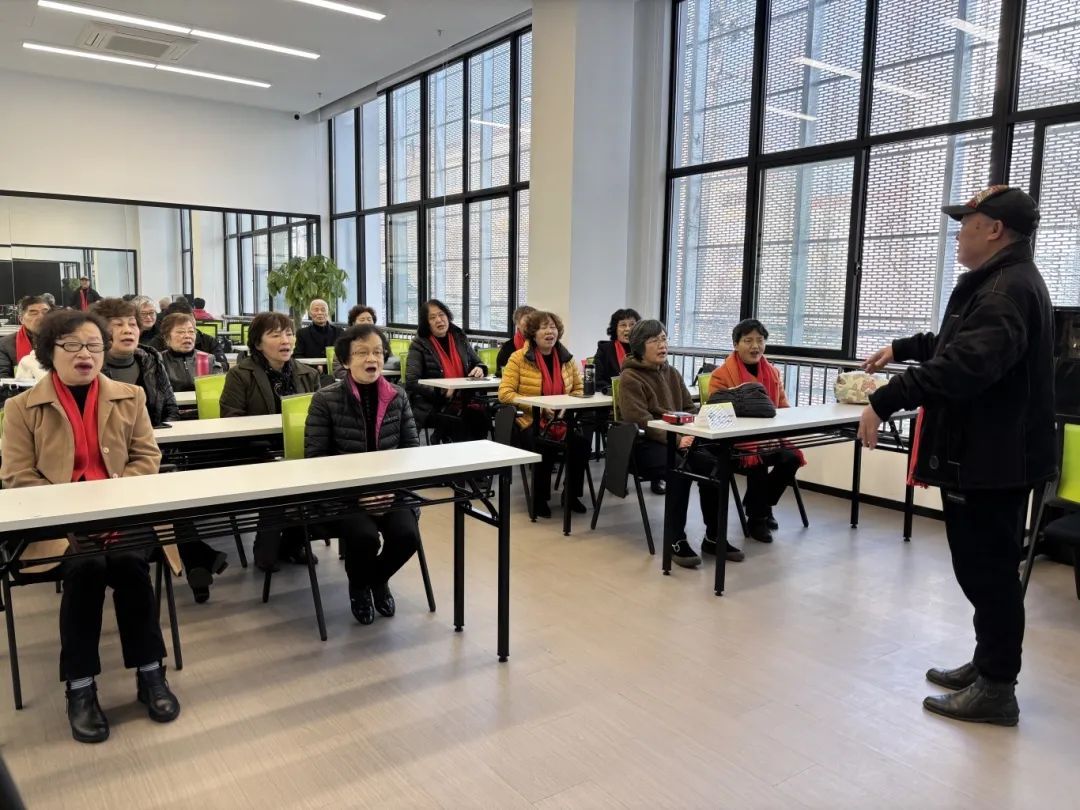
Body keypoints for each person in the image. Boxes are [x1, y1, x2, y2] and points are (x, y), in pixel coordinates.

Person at [858, 186, 1054, 727]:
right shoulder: (1000, 283)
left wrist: (886, 398)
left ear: (994, 229)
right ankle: (987, 665)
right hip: (990, 456)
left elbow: (965, 366)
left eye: (966, 223)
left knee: (988, 573)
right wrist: (904, 348)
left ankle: (997, 687)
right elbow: (956, 341)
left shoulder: (1006, 290)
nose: (959, 233)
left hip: (992, 460)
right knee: (983, 570)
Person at [0, 309, 181, 744]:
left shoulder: (130, 396)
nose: (86, 354)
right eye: (73, 346)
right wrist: (72, 511)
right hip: (57, 525)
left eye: (94, 346)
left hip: (122, 515)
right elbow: (16, 475)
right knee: (86, 568)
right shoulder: (21, 407)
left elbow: (147, 457)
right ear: (50, 351)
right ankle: (80, 687)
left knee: (130, 564)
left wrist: (114, 499)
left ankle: (150, 673)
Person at [305, 324, 421, 624]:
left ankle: (376, 579)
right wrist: (361, 494)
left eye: (378, 352)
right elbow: (316, 460)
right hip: (344, 496)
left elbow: (411, 452)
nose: (372, 358)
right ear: (345, 361)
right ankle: (358, 587)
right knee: (364, 537)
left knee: (407, 536)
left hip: (392, 491)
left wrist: (390, 490)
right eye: (361, 353)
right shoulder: (325, 399)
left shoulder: (398, 396)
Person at [617, 320, 741, 565]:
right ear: (640, 346)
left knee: (714, 466)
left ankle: (714, 537)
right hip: (643, 444)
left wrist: (695, 431)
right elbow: (640, 421)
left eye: (664, 339)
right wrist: (676, 439)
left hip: (678, 440)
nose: (662, 345)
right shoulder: (630, 377)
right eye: (654, 341)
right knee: (679, 472)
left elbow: (688, 408)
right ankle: (676, 540)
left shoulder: (672, 373)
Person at [220, 312, 321, 569]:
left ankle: (293, 542)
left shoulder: (308, 374)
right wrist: (269, 450)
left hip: (300, 450)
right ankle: (268, 546)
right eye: (275, 335)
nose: (285, 340)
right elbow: (231, 421)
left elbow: (320, 419)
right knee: (280, 474)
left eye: (289, 334)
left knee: (317, 471)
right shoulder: (240, 375)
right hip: (255, 450)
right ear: (258, 343)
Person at [708, 318, 804, 544]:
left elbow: (782, 408)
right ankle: (757, 519)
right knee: (758, 459)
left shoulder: (773, 373)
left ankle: (760, 504)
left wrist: (774, 435)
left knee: (792, 458)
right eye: (748, 340)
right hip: (736, 442)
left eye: (760, 341)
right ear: (735, 344)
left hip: (769, 437)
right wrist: (757, 439)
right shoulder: (721, 375)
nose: (755, 346)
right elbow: (717, 415)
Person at [498, 310, 589, 518]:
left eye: (553, 327)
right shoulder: (518, 358)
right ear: (532, 333)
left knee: (581, 444)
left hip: (561, 420)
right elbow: (505, 393)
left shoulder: (566, 358)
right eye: (543, 328)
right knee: (544, 444)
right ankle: (539, 498)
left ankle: (571, 495)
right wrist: (537, 407)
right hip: (528, 421)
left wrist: (567, 406)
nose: (550, 332)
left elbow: (579, 389)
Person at [406, 299, 489, 442]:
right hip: (433, 403)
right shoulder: (419, 344)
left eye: (441, 315)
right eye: (432, 317)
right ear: (426, 323)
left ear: (448, 316)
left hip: (464, 398)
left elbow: (477, 362)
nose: (439, 320)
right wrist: (442, 392)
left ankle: (459, 445)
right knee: (462, 419)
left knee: (480, 416)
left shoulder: (459, 337)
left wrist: (480, 368)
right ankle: (448, 442)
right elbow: (411, 381)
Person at [91, 299, 178, 428]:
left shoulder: (151, 359)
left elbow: (171, 409)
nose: (128, 330)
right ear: (99, 331)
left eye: (132, 324)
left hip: (154, 437)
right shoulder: (90, 365)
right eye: (118, 324)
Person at [158, 312, 223, 393]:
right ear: (167, 337)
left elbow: (217, 391)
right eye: (180, 332)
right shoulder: (158, 361)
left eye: (191, 331)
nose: (187, 336)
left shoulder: (209, 359)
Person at [333, 306, 399, 379]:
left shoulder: (381, 340)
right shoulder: (346, 341)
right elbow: (338, 370)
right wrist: (358, 378)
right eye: (362, 320)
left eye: (369, 319)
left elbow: (389, 361)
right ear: (353, 323)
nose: (366, 322)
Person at [0, 295, 50, 376]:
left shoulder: (62, 341)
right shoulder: (5, 345)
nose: (41, 317)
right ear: (21, 319)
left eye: (46, 312)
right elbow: (3, 378)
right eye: (34, 313)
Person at [594, 308, 640, 395]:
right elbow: (597, 380)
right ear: (615, 329)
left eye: (632, 325)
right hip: (613, 397)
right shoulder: (605, 349)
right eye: (623, 325)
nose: (628, 329)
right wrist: (617, 390)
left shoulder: (644, 349)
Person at [496, 305, 536, 376]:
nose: (531, 324)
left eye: (534, 320)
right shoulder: (508, 347)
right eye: (527, 320)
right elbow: (500, 371)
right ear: (517, 324)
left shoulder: (542, 344)